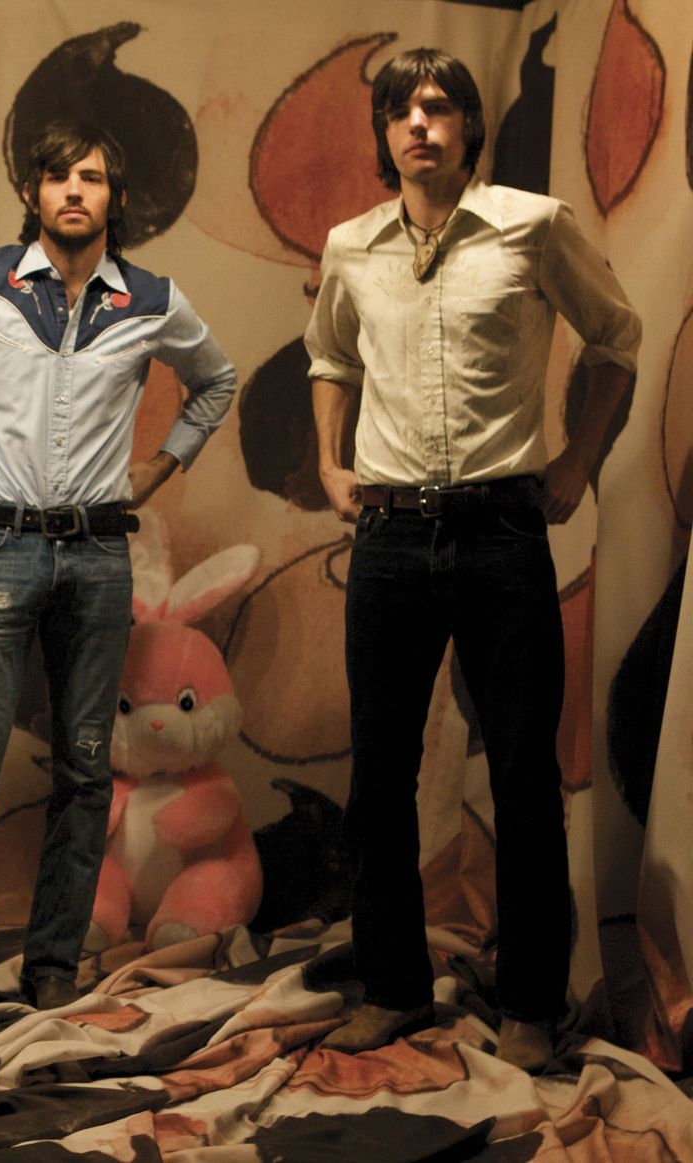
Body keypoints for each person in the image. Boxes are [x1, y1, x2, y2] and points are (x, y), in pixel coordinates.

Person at [306, 48, 640, 1072]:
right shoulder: (351, 245)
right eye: (401, 109)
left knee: (525, 776)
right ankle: (395, 987)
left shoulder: (534, 226)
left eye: (439, 105)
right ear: (384, 132)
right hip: (391, 537)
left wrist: (576, 462)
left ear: (469, 125)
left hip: (502, 530)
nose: (419, 122)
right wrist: (328, 461)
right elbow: (330, 355)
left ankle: (532, 1000)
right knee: (380, 775)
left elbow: (617, 338)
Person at [0, 121, 236, 1016]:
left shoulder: (150, 299)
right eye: (59, 176)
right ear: (32, 192)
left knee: (85, 766)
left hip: (100, 554)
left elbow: (216, 380)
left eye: (93, 177)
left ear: (116, 198)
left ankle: (54, 964)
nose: (75, 190)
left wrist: (160, 468)